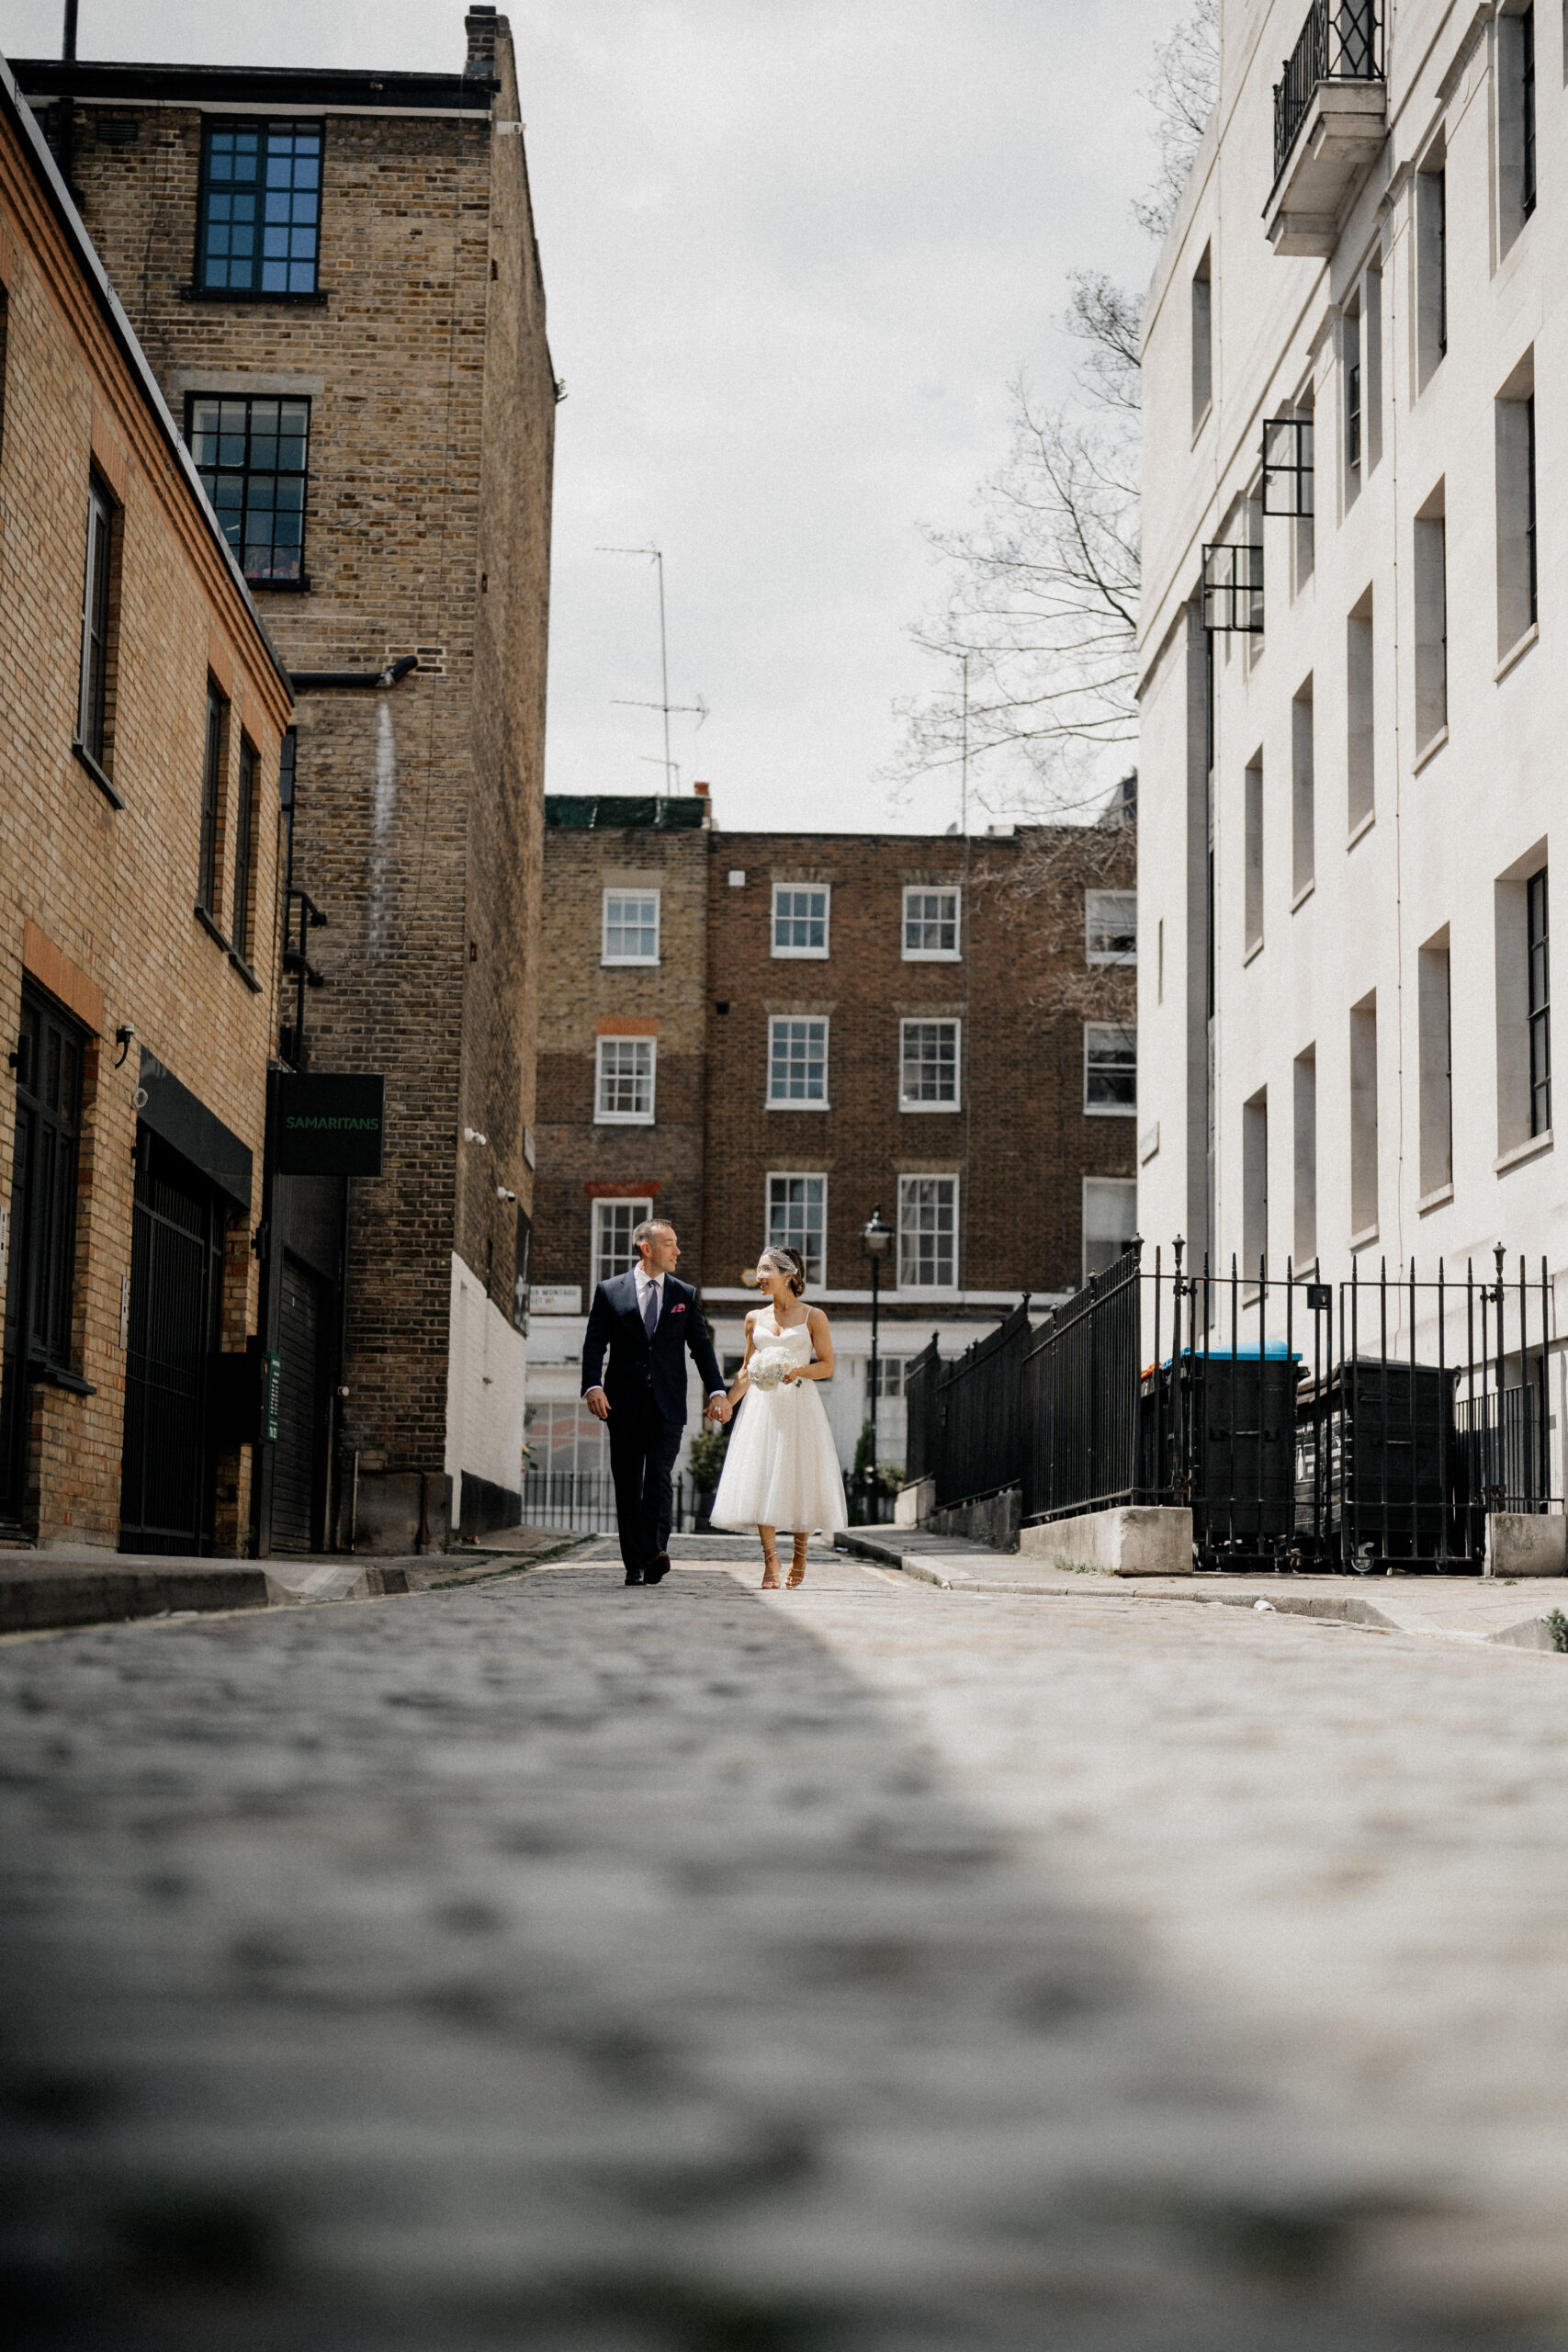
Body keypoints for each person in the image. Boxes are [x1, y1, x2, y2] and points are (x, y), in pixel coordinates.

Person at [581, 1219, 729, 1587]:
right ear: (647, 1248)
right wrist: (592, 1386)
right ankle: (634, 1562)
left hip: (667, 1405)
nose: (678, 1251)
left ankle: (654, 1553)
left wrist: (717, 1391)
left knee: (660, 1478)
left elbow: (701, 1348)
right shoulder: (609, 1291)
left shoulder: (684, 1294)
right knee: (629, 1484)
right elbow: (594, 1342)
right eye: (670, 1244)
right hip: (623, 1405)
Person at [711, 1244, 848, 1587]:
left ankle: (800, 1555)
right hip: (762, 1408)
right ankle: (771, 1560)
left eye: (766, 1270)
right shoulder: (753, 1319)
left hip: (800, 1406)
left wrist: (798, 1369)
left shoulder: (813, 1317)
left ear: (789, 1275)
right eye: (758, 1270)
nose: (759, 1277)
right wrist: (726, 1402)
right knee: (762, 1478)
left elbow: (827, 1366)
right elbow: (745, 1371)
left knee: (800, 1477)